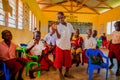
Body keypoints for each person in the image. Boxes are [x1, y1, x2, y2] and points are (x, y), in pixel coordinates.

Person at [53, 12, 74, 80]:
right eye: (58, 18)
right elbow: (58, 37)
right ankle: (60, 74)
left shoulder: (69, 25)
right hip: (60, 45)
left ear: (64, 17)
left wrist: (70, 39)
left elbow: (72, 32)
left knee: (68, 60)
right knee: (59, 61)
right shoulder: (58, 26)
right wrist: (56, 30)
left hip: (67, 45)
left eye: (61, 17)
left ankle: (67, 73)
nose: (60, 19)